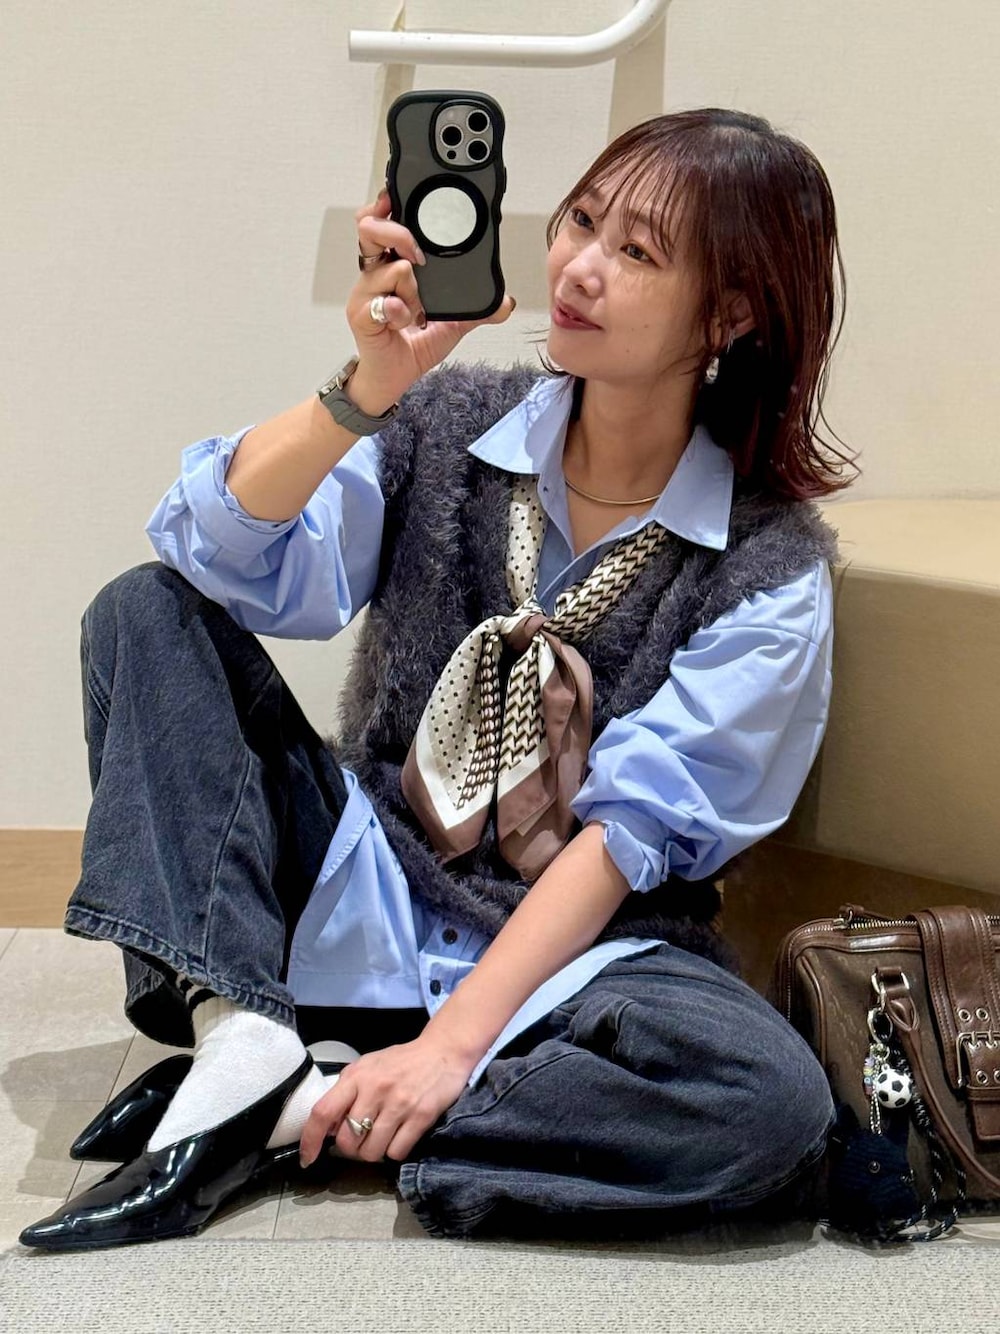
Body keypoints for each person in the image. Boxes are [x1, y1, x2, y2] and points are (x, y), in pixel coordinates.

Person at [22, 107, 854, 1251]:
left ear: (731, 314)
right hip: (363, 875)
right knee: (144, 611)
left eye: (637, 251)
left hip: (575, 959)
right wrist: (364, 391)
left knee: (768, 1103)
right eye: (581, 221)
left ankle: (301, 1104)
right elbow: (220, 547)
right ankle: (243, 1032)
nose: (579, 267)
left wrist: (452, 1046)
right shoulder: (447, 422)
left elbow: (625, 840)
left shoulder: (769, 565)